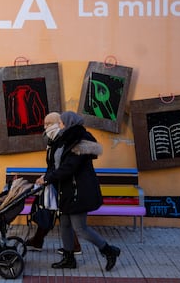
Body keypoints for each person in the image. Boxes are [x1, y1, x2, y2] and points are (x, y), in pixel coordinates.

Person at [36, 111, 121, 271]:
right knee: (65, 225)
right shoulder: (64, 140)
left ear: (69, 123)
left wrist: (48, 179)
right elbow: (56, 165)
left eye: (61, 123)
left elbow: (69, 167)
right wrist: (47, 175)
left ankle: (109, 251)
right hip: (67, 191)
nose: (58, 126)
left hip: (78, 191)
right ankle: (69, 258)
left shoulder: (80, 141)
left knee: (80, 228)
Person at [25, 112, 82, 254]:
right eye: (44, 124)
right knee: (48, 209)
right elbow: (52, 164)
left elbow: (63, 166)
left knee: (57, 213)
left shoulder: (62, 140)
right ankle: (38, 240)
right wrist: (46, 176)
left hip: (62, 183)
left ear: (58, 124)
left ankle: (74, 245)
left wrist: (48, 178)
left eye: (48, 124)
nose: (45, 127)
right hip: (54, 180)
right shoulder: (52, 141)